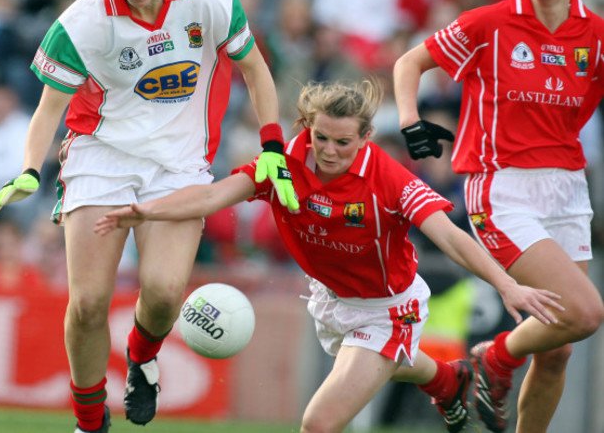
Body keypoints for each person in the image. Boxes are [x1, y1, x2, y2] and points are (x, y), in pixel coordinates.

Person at [95, 80, 563, 433]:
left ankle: (444, 381)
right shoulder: (282, 165)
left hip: (388, 310)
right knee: (391, 364)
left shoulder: (387, 177)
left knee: (318, 423)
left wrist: (506, 284)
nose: (331, 151)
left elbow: (450, 237)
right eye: (322, 138)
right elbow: (212, 197)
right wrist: (144, 210)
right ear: (307, 129)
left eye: (344, 142)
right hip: (331, 299)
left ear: (365, 138)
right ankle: (447, 381)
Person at [0, 0, 297, 433]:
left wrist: (273, 145)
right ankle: (89, 421)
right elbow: (47, 111)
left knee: (163, 292)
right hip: (101, 157)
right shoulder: (81, 22)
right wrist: (29, 171)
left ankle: (141, 356)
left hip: (179, 164)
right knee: (86, 303)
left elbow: (256, 71)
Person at [393, 0, 604, 433]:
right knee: (586, 313)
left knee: (558, 351)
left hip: (568, 187)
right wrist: (410, 120)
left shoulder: (595, 34)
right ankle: (493, 359)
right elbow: (408, 63)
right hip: (502, 187)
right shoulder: (491, 22)